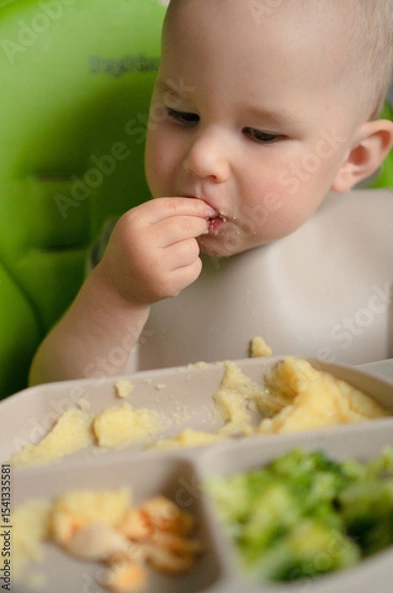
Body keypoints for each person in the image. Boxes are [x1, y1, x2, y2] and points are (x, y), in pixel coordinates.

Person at [29, 0, 393, 385]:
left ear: (354, 156)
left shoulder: (383, 235)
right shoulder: (132, 260)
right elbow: (55, 402)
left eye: (261, 134)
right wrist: (116, 296)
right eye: (182, 114)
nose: (202, 158)